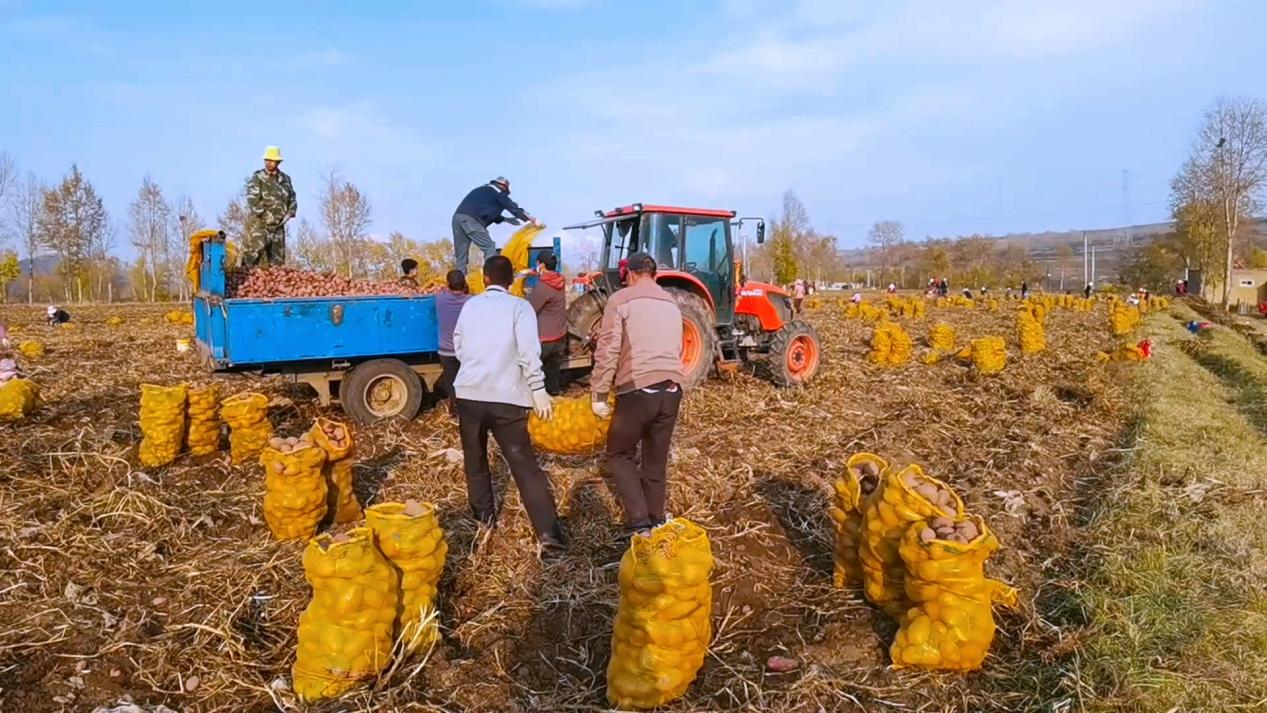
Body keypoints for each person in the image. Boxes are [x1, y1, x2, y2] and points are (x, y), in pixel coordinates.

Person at [452, 255, 564, 557]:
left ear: (485, 278)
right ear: (511, 280)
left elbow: (458, 345)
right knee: (524, 466)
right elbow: (529, 352)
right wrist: (538, 389)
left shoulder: (470, 306)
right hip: (508, 399)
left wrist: (478, 369)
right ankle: (549, 537)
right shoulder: (520, 307)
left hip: (470, 395)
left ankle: (483, 523)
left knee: (475, 462)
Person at [590, 252, 685, 536]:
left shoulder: (620, 300)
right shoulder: (672, 302)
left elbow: (608, 351)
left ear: (629, 275)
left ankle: (640, 522)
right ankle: (657, 520)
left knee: (620, 453)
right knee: (656, 460)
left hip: (638, 388)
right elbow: (677, 347)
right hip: (672, 389)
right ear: (654, 275)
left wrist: (598, 393)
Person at [452, 177, 540, 273]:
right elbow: (511, 206)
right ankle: (491, 278)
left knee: (461, 256)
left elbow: (486, 211)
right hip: (471, 220)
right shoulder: (498, 191)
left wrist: (506, 219)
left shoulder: (482, 190)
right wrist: (529, 218)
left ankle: (459, 284)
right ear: (503, 187)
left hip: (457, 219)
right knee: (489, 247)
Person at [242, 146, 297, 267]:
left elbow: (292, 198)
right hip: (261, 226)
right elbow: (252, 200)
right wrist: (266, 215)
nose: (269, 162)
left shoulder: (285, 179)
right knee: (251, 259)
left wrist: (289, 214)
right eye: (267, 160)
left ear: (278, 162)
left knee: (278, 266)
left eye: (272, 160)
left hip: (279, 227)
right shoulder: (258, 178)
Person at [528, 251, 568, 396]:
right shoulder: (560, 279)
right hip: (560, 337)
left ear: (542, 265)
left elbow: (530, 309)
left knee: (538, 377)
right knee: (553, 375)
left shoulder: (542, 287)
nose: (536, 265)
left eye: (538, 263)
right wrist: (535, 274)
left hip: (544, 340)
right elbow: (548, 278)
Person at [435, 270, 470, 412]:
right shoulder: (470, 301)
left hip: (446, 350)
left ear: (448, 284)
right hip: (466, 350)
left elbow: (441, 291)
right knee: (467, 381)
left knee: (451, 381)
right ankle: (467, 409)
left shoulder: (440, 299)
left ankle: (455, 407)